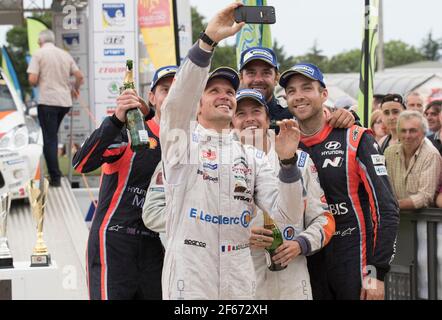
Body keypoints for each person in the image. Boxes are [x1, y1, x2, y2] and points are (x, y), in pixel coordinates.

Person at [159, 3, 305, 300]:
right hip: (191, 278)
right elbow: (177, 102)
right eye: (214, 90)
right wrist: (208, 41)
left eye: (229, 92)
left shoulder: (252, 157)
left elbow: (286, 215)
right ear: (198, 104)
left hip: (239, 280)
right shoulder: (182, 143)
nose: (225, 95)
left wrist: (288, 164)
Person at [279, 62, 400, 300]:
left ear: (324, 94)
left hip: (353, 260)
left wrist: (377, 272)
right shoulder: (285, 143)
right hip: (308, 262)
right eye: (291, 91)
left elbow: (386, 208)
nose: (299, 96)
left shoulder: (356, 137)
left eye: (306, 88)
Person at [72, 65, 178, 300]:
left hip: (154, 246)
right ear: (152, 97)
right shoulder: (131, 129)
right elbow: (81, 164)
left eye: (178, 89)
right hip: (115, 241)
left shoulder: (191, 144)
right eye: (165, 89)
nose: (172, 95)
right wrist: (116, 119)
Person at [232, 88, 335, 299]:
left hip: (293, 278)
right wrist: (240, 235)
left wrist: (301, 243)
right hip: (243, 276)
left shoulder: (299, 158)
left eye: (256, 112)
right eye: (241, 113)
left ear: (267, 117)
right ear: (231, 121)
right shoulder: (220, 160)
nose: (249, 119)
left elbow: (324, 218)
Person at [238, 46, 355, 131]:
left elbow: (317, 111)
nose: (258, 79)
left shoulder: (292, 112)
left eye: (266, 73)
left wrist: (348, 116)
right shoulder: (228, 113)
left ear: (276, 78)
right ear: (241, 78)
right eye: (251, 73)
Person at [27, 29, 84, 187]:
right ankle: (55, 174)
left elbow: (32, 79)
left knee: (49, 139)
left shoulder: (39, 54)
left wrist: (37, 80)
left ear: (41, 41)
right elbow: (79, 76)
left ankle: (55, 177)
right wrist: (76, 89)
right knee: (53, 137)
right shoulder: (64, 54)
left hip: (48, 101)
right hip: (64, 102)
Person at [384, 111, 441, 210]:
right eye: (403, 131)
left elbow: (425, 197)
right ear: (397, 132)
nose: (407, 136)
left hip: (421, 222)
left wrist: (393, 205)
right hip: (392, 217)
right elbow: (384, 188)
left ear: (424, 133)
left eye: (413, 131)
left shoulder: (431, 155)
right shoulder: (389, 153)